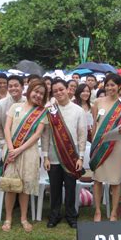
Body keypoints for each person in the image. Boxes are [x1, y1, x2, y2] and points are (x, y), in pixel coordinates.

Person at [1, 79, 48, 232]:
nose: (38, 95)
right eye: (36, 91)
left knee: (25, 187)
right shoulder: (15, 107)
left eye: (41, 93)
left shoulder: (42, 113)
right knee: (11, 185)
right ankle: (8, 218)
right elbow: (7, 128)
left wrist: (19, 149)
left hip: (28, 152)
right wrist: (11, 148)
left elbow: (37, 135)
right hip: (11, 150)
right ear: (29, 91)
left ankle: (23, 218)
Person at [42, 79, 87, 228]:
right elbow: (46, 134)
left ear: (68, 89)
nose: (59, 93)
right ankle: (54, 215)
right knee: (54, 188)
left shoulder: (78, 110)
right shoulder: (50, 110)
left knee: (70, 187)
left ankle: (71, 215)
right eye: (55, 91)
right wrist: (45, 156)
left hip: (71, 156)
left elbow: (82, 135)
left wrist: (81, 157)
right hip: (53, 157)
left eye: (61, 89)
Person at [90, 73, 121, 221]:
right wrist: (93, 143)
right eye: (107, 85)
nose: (110, 88)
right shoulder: (97, 102)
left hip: (114, 145)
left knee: (115, 180)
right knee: (98, 179)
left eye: (113, 85)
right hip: (99, 144)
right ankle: (98, 211)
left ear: (119, 86)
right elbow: (95, 124)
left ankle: (113, 212)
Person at [0, 75, 26, 153]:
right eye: (10, 86)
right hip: (5, 145)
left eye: (16, 86)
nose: (13, 88)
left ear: (22, 87)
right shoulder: (1, 103)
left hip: (24, 145)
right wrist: (2, 142)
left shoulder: (28, 102)